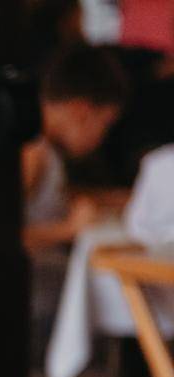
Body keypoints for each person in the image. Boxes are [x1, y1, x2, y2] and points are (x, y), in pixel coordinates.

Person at [23, 44, 132, 251]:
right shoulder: (33, 152)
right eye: (105, 125)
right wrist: (69, 229)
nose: (101, 138)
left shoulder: (48, 150)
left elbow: (57, 197)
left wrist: (114, 199)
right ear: (80, 111)